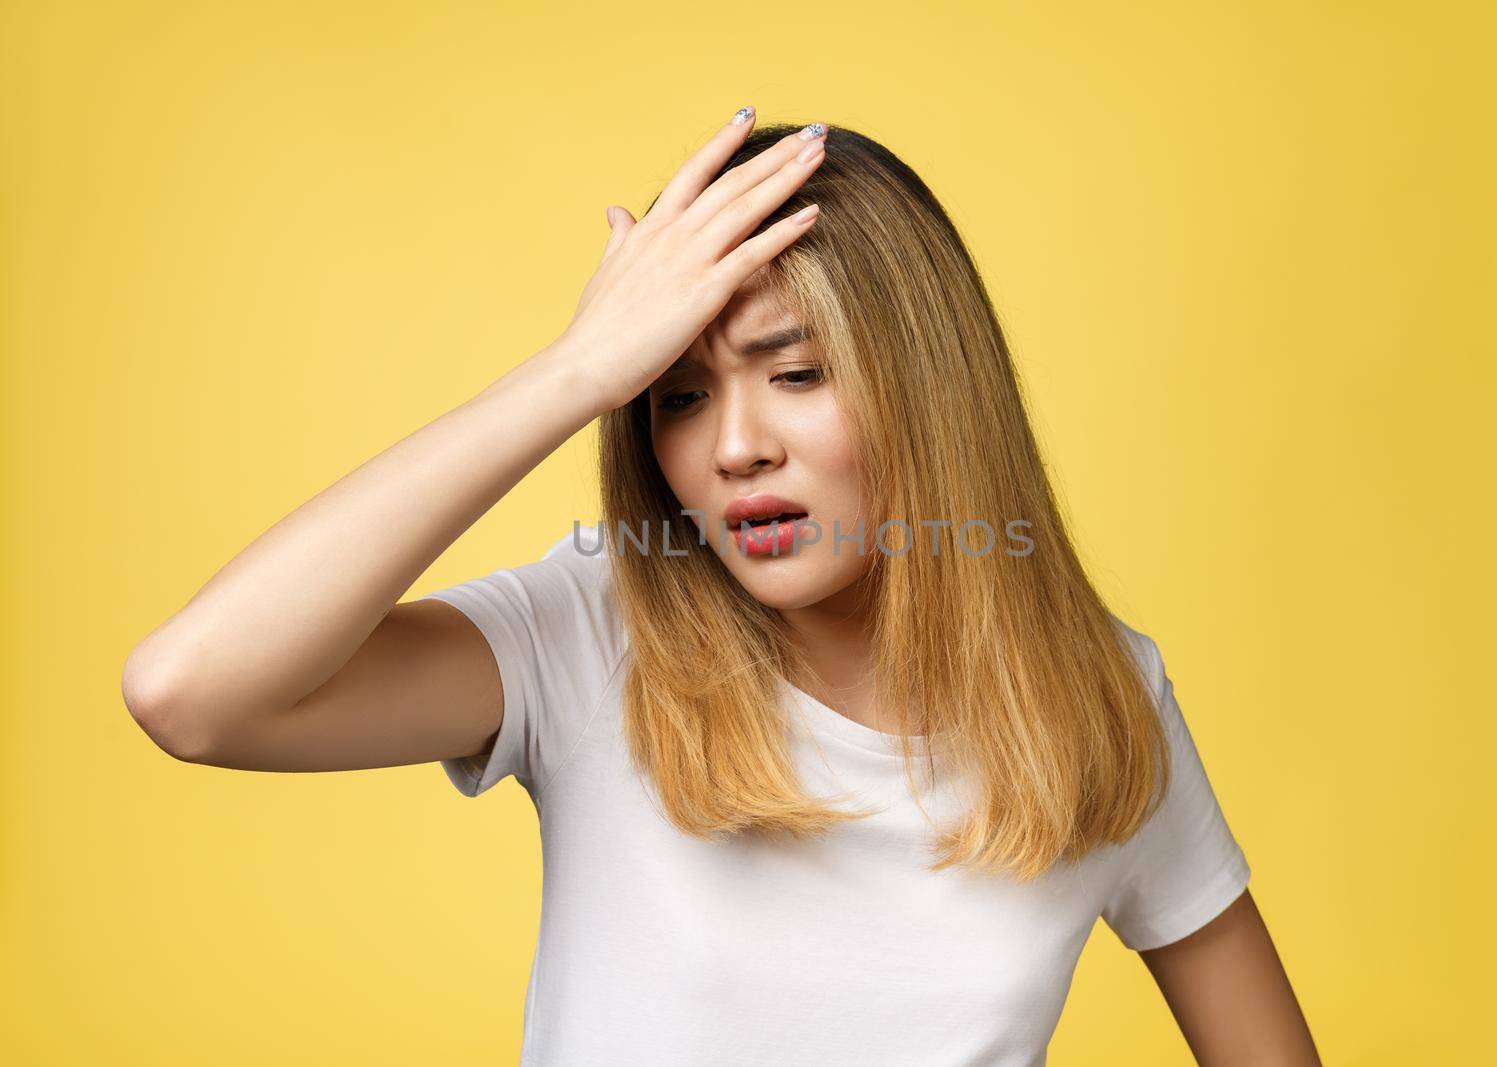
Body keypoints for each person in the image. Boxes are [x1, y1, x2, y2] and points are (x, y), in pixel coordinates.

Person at [122, 108, 1320, 1065]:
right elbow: (191, 692)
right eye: (678, 396)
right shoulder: (589, 635)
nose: (734, 444)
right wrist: (577, 371)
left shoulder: (1099, 702)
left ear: (928, 385)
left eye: (793, 371)